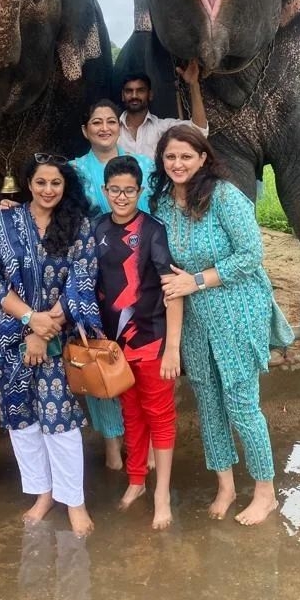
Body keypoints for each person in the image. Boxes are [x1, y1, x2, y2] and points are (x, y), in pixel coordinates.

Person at [151, 124, 294, 526]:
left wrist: (195, 280)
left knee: (241, 401)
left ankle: (265, 492)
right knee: (208, 400)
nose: (178, 164)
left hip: (236, 307)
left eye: (185, 156)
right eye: (170, 157)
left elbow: (251, 255)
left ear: (202, 159)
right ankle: (226, 485)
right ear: (162, 161)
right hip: (194, 314)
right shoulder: (161, 203)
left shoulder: (226, 197)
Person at [0, 154, 101, 537]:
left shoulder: (78, 225)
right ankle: (43, 492)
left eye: (56, 183)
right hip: (8, 333)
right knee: (21, 417)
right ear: (28, 183)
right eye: (41, 182)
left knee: (58, 416)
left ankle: (74, 501)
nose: (49, 190)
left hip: (56, 334)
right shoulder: (3, 222)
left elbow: (82, 279)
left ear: (66, 187)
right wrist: (30, 320)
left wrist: (44, 328)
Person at [95, 155, 183, 530]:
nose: (122, 196)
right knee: (131, 415)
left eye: (129, 190)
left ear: (140, 191)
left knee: (159, 415)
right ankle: (136, 481)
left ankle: (161, 493)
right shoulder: (96, 228)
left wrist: (172, 348)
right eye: (115, 190)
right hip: (114, 349)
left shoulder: (153, 230)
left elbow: (173, 290)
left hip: (152, 342)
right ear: (105, 191)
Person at [69, 100, 155, 470]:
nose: (104, 127)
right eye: (96, 121)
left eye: (110, 121)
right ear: (86, 130)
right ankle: (111, 441)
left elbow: (157, 216)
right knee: (100, 356)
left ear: (119, 127)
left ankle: (146, 442)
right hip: (97, 279)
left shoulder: (146, 166)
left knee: (141, 359)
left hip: (142, 274)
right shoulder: (74, 171)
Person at [119, 61, 209, 159]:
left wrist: (194, 85)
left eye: (140, 91)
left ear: (150, 95)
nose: (134, 96)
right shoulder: (111, 129)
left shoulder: (161, 128)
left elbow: (199, 131)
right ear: (123, 96)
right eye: (129, 91)